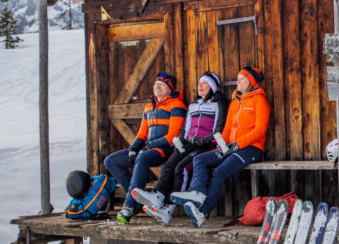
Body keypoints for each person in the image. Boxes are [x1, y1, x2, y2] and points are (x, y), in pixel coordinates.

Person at [172, 66, 269, 227]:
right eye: (238, 78)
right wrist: (221, 144)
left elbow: (260, 130)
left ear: (251, 82)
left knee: (219, 172)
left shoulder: (260, 101)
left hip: (251, 148)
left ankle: (203, 212)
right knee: (200, 159)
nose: (238, 82)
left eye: (242, 79)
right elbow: (227, 130)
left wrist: (237, 145)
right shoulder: (235, 102)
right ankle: (197, 193)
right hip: (230, 147)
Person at [132, 71, 227, 224]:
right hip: (190, 143)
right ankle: (158, 196)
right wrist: (181, 142)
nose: (200, 86)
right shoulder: (193, 106)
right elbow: (185, 128)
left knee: (180, 168)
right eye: (199, 83)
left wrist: (203, 141)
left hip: (207, 146)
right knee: (169, 164)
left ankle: (169, 208)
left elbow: (218, 129)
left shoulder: (218, 105)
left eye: (204, 83)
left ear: (213, 87)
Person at [104, 71, 186, 223]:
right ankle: (138, 199)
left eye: (162, 85)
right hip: (147, 150)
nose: (158, 87)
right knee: (111, 161)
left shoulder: (177, 105)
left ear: (170, 89)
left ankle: (129, 206)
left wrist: (147, 147)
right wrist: (134, 148)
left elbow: (172, 137)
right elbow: (142, 132)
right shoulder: (149, 107)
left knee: (142, 157)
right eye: (156, 84)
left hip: (165, 150)